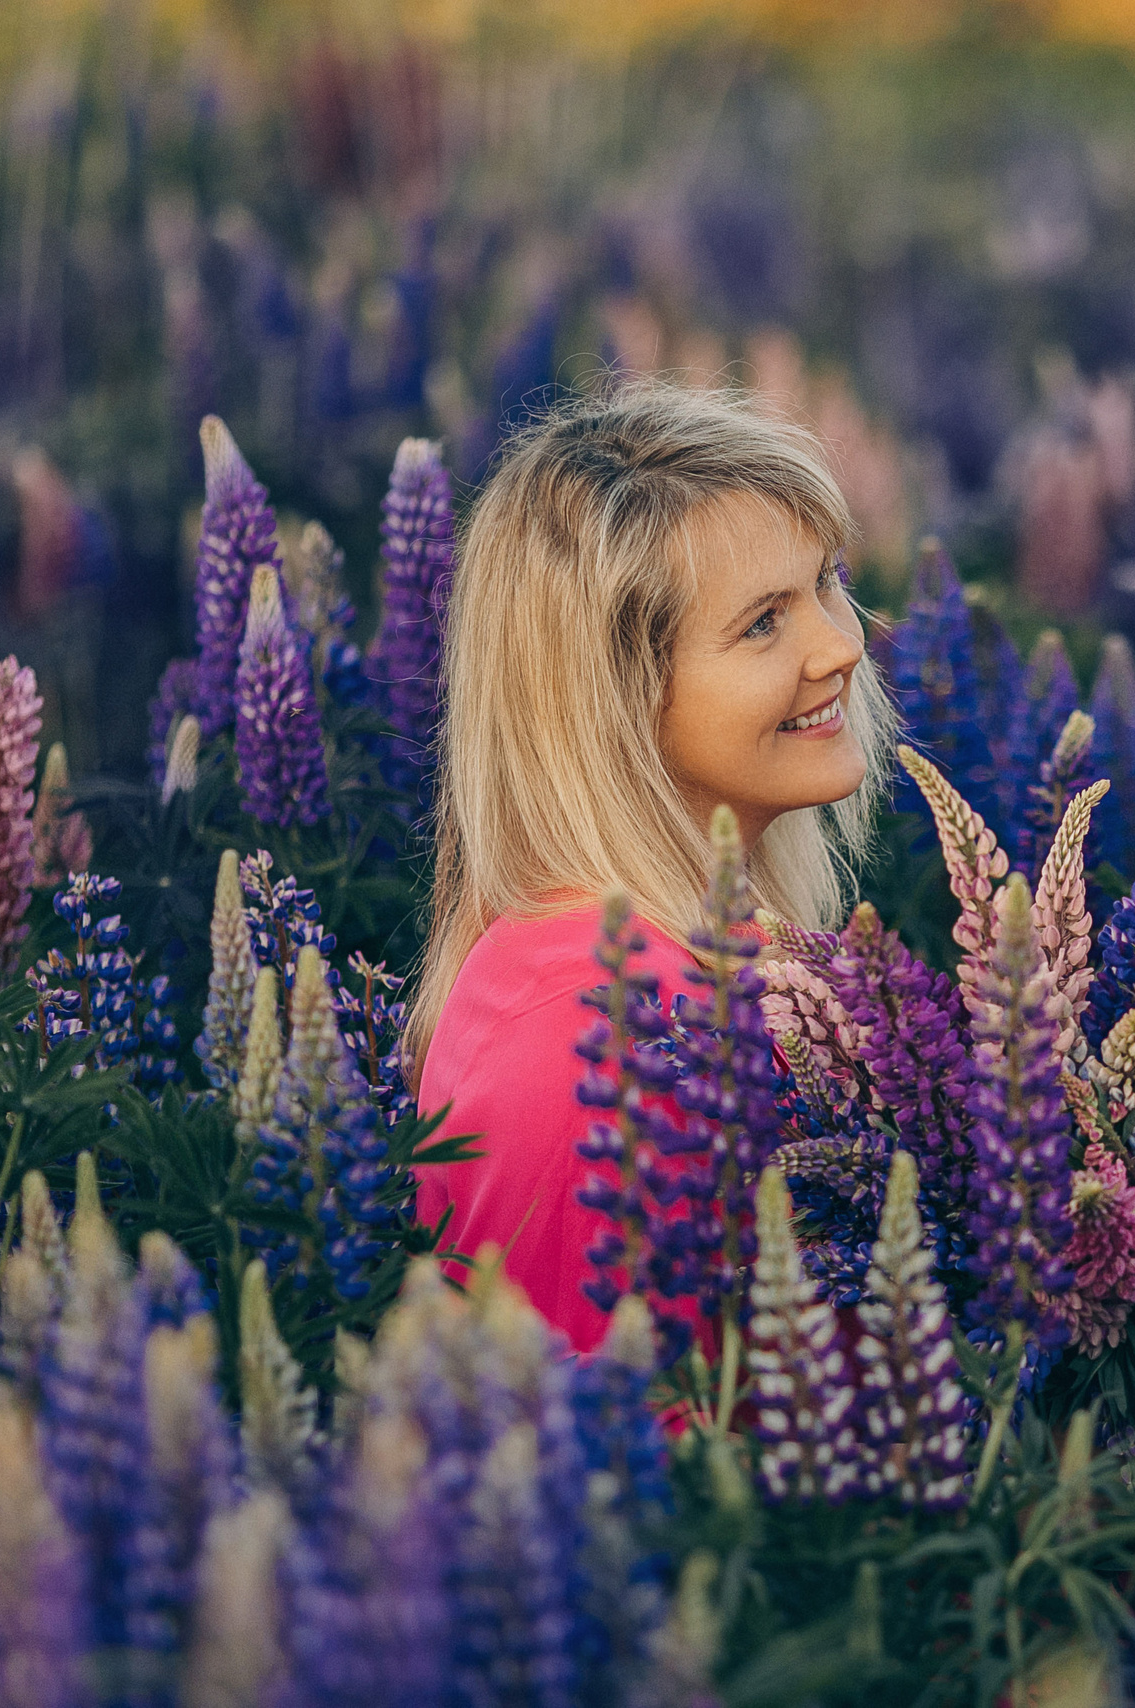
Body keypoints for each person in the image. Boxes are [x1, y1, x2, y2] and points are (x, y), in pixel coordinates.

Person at [404, 380, 895, 1352]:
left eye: (826, 582)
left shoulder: (692, 956)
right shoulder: (598, 1035)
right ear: (617, 701)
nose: (842, 644)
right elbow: (625, 1467)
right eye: (763, 622)